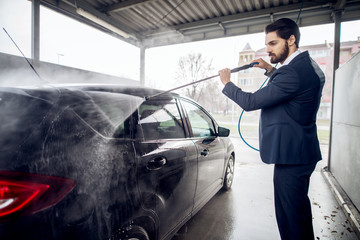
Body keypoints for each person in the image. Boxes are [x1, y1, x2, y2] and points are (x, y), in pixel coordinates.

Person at [218, 18, 325, 240]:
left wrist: (227, 83)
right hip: (302, 152)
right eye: (267, 44)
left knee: (290, 219)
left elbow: (250, 102)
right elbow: (290, 85)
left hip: (292, 157)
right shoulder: (307, 65)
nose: (267, 50)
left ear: (291, 39)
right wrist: (269, 70)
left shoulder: (290, 73)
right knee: (299, 214)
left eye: (273, 44)